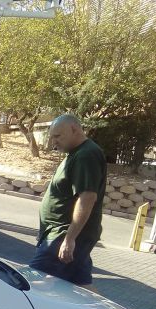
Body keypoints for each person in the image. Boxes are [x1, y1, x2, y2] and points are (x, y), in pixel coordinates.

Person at [29, 114, 106, 289]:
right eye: (51, 137)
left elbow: (87, 198)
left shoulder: (86, 155)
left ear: (75, 130)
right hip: (65, 234)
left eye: (57, 136)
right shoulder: (76, 153)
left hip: (65, 233)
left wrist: (69, 239)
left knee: (31, 283)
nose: (53, 142)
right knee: (81, 287)